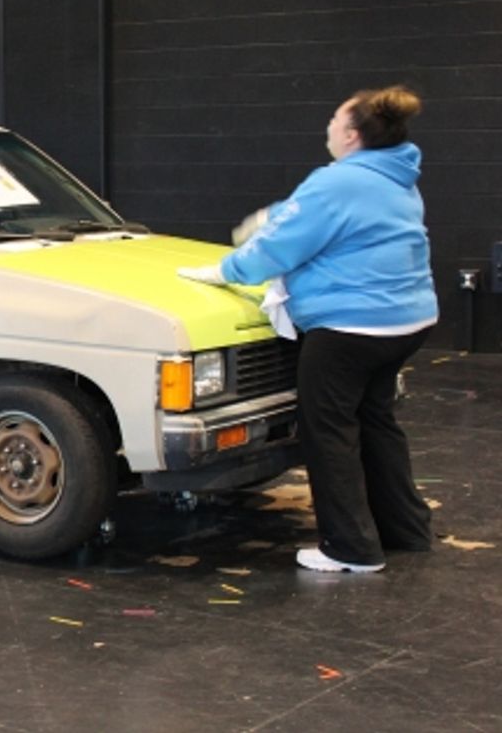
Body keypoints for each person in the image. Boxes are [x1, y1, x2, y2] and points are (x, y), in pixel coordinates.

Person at [178, 86, 437, 573]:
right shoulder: (395, 176)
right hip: (407, 321)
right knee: (377, 422)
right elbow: (325, 218)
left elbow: (280, 247)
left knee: (329, 430)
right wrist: (276, 215)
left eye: (334, 120)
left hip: (349, 329)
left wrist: (226, 270)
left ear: (352, 134)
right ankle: (405, 529)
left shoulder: (336, 181)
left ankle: (350, 548)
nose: (327, 127)